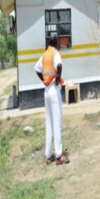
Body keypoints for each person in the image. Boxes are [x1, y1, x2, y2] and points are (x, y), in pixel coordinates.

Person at [35, 35, 70, 166]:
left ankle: (48, 154)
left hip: (46, 90)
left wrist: (44, 81)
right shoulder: (55, 53)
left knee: (49, 123)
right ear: (55, 42)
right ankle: (59, 155)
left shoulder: (45, 55)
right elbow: (59, 65)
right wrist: (58, 77)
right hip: (54, 91)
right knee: (57, 122)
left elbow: (36, 69)